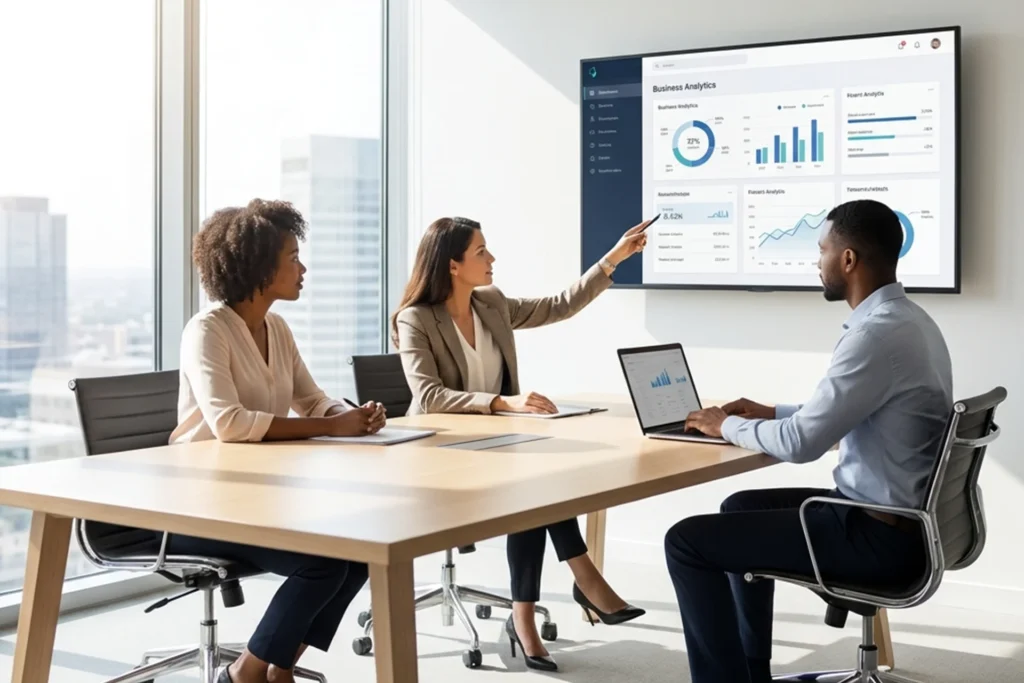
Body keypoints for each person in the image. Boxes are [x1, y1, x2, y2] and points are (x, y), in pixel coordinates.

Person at [665, 199, 952, 683]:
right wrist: (768, 412)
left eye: (821, 250)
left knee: (686, 543)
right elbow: (852, 410)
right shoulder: (912, 321)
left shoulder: (875, 336)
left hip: (877, 537)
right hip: (900, 522)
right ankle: (754, 672)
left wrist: (724, 426)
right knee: (738, 506)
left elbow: (802, 444)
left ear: (847, 260)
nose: (816, 262)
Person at [392, 215, 651, 671]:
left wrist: (615, 257)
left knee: (538, 482)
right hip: (439, 454)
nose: (492, 259)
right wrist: (502, 403)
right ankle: (581, 579)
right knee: (534, 482)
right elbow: (428, 395)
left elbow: (558, 305)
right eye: (481, 252)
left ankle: (528, 617)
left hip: (500, 447)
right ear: (453, 265)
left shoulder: (489, 302)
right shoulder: (416, 319)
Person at [169, 199, 386, 683]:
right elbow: (229, 422)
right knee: (325, 565)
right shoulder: (207, 331)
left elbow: (312, 400)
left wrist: (351, 416)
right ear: (260, 266)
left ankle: (271, 667)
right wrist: (333, 427)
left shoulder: (277, 328)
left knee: (357, 557)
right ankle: (252, 673)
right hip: (196, 505)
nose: (302, 267)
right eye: (292, 257)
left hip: (255, 498)